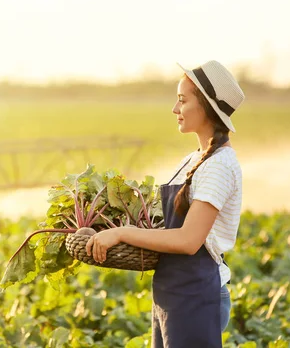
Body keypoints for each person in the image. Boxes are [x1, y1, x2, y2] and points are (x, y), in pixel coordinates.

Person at [86, 60, 245, 347]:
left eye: (182, 101)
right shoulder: (193, 159)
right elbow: (165, 224)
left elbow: (188, 241)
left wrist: (120, 233)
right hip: (172, 292)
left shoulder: (219, 166)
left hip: (196, 295)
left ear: (207, 108)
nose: (175, 109)